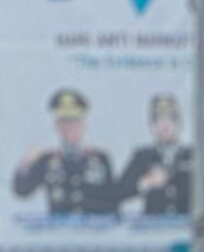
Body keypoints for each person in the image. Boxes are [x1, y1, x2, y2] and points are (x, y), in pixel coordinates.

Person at [11, 87, 117, 215]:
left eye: (74, 122)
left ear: (84, 125)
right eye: (64, 123)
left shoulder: (100, 158)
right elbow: (22, 191)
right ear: (57, 127)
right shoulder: (48, 160)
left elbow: (113, 200)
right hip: (59, 231)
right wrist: (25, 164)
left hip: (92, 230)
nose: (69, 128)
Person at [114, 92, 191, 217]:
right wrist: (144, 183)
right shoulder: (142, 156)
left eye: (171, 120)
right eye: (160, 121)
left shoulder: (191, 156)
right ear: (152, 126)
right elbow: (118, 193)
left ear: (178, 125)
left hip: (185, 228)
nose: (165, 126)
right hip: (152, 228)